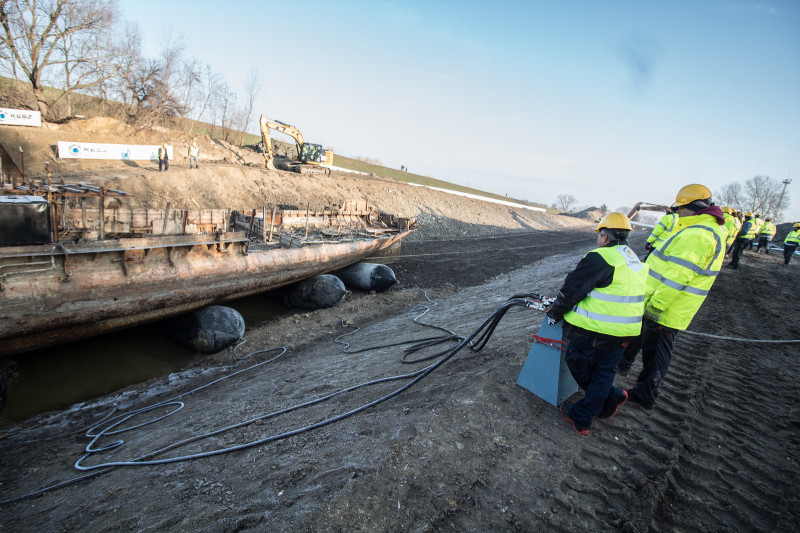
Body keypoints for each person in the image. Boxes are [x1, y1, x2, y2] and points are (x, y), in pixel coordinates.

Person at [616, 184, 726, 409]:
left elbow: (679, 276)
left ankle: (645, 393)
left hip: (666, 307)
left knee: (656, 352)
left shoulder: (698, 234)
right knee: (649, 344)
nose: (678, 212)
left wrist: (657, 305)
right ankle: (635, 377)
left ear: (693, 206)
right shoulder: (704, 229)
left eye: (681, 208)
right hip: (667, 303)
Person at [545, 212, 649, 435]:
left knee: (578, 364)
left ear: (604, 236)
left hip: (594, 331)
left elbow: (573, 289)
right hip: (626, 332)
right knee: (604, 371)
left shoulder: (601, 257)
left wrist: (554, 313)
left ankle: (583, 415)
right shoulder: (634, 259)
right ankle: (610, 395)